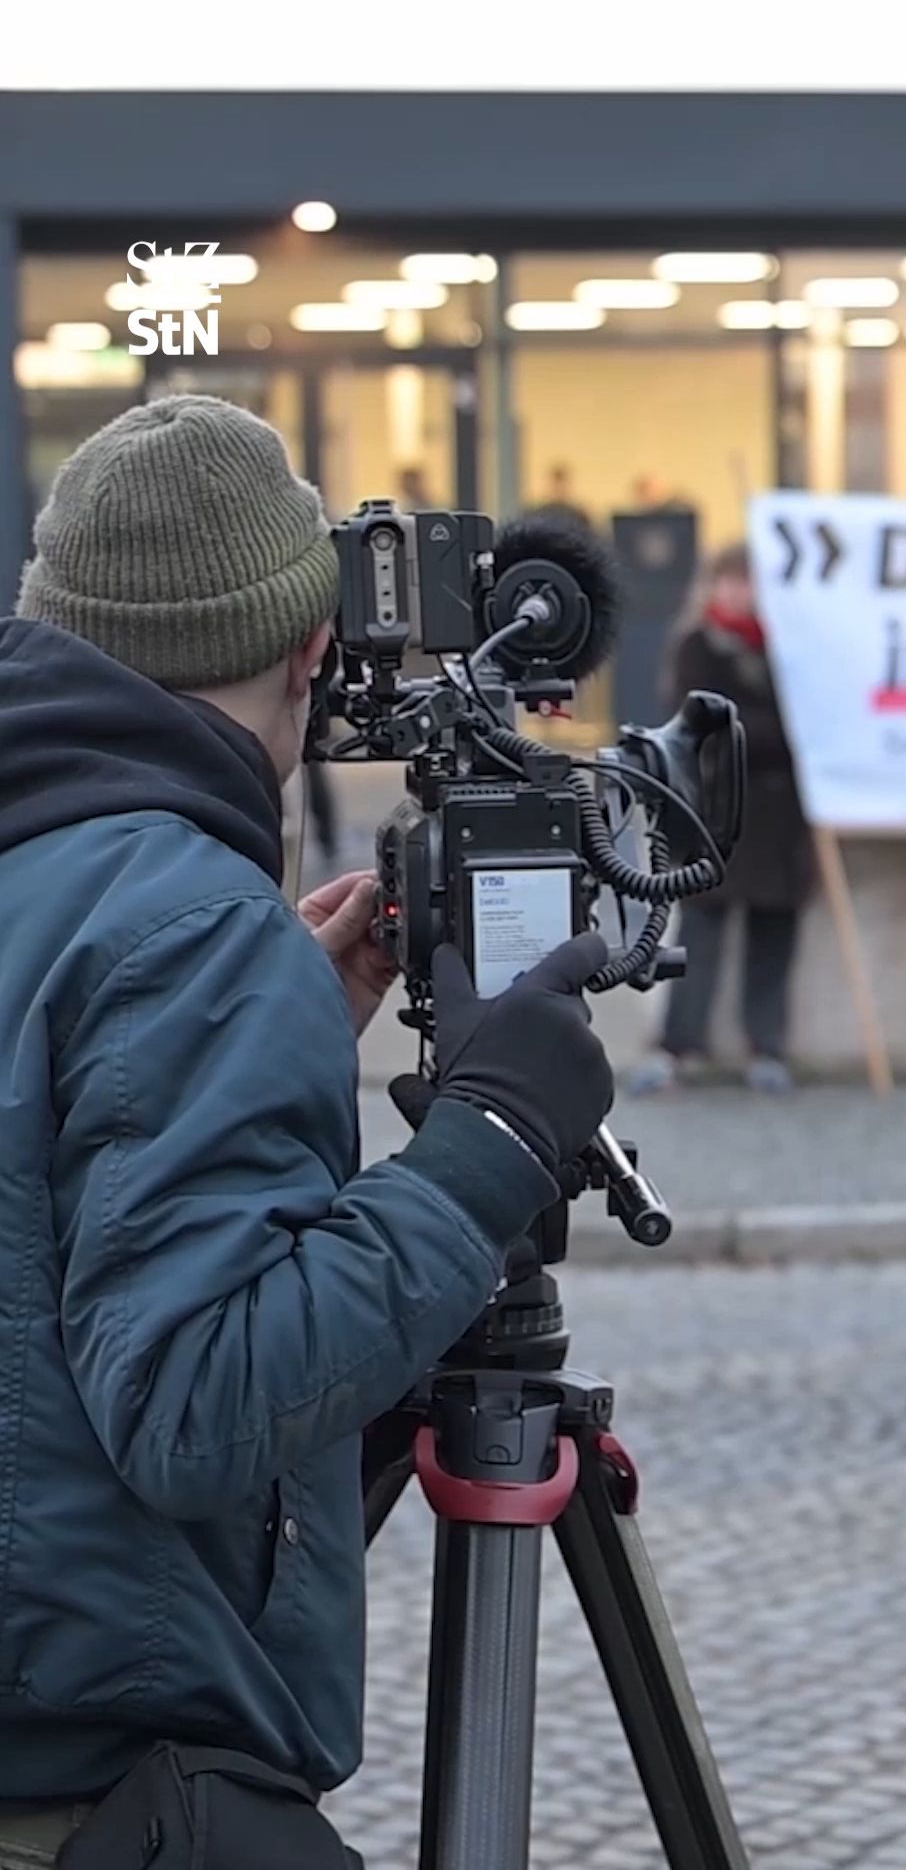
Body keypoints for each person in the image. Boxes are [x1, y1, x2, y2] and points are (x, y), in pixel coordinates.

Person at [0, 395, 613, 1867]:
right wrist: (491, 1147)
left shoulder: (53, 869)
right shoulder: (192, 925)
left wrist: (269, 1038)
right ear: (308, 650)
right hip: (100, 1791)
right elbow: (200, 1406)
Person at [631, 541, 812, 1096]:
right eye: (730, 581)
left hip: (780, 821)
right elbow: (711, 726)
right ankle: (679, 1045)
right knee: (701, 935)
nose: (739, 592)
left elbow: (807, 721)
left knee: (772, 934)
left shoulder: (790, 647)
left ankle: (766, 1046)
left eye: (748, 581)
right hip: (717, 814)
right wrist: (773, 733)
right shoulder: (699, 646)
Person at [529, 461, 593, 533]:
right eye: (555, 485)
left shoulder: (579, 515)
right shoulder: (537, 514)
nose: (558, 489)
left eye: (561, 485)